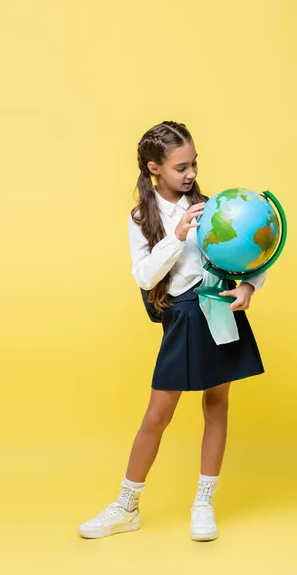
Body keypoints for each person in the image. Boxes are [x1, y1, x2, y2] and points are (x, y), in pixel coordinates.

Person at [78, 120, 266, 542]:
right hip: (181, 316)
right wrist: (178, 236)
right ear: (153, 169)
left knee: (216, 405)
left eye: (194, 163)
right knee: (157, 415)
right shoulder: (141, 217)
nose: (191, 174)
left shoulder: (213, 206)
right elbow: (145, 277)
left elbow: (254, 251)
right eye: (181, 167)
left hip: (218, 309)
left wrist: (250, 286)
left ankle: (203, 503)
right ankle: (127, 506)